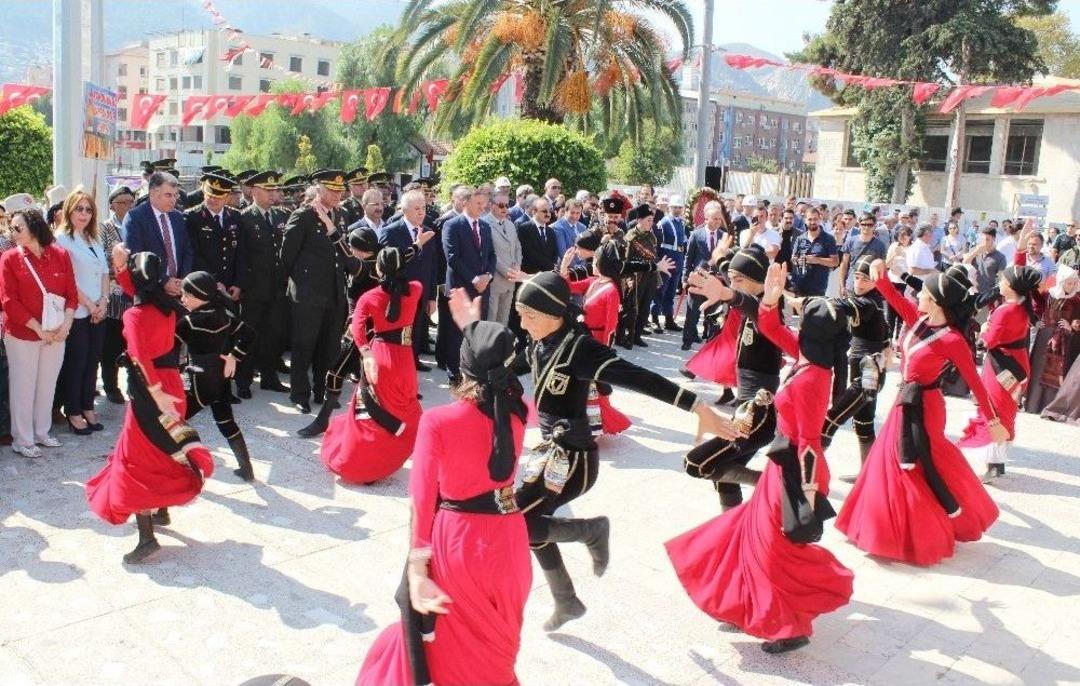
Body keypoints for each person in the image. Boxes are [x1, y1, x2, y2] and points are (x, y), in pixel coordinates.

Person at [449, 272, 743, 632]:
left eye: (530, 316)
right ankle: (566, 600)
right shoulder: (538, 345)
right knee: (530, 522)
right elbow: (496, 367)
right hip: (549, 456)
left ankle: (590, 531)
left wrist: (698, 407)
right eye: (521, 316)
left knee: (517, 522)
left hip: (575, 461)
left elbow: (640, 378)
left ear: (554, 313)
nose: (522, 324)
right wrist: (472, 331)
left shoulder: (581, 349)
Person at [667, 264, 854, 655]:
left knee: (773, 548)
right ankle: (744, 603)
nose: (796, 311)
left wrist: (806, 493)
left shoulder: (814, 375)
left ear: (812, 330)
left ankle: (789, 626)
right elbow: (771, 326)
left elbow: (809, 442)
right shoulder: (808, 356)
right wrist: (768, 301)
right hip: (780, 462)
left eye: (803, 312)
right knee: (752, 538)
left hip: (795, 468)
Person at [357, 321, 530, 686]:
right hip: (511, 543)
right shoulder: (520, 412)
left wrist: (418, 571)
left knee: (454, 655)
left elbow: (421, 499)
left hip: (461, 543)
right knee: (496, 656)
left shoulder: (438, 421)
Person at [836, 262, 1007, 566]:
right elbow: (889, 292)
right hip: (904, 400)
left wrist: (993, 421)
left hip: (926, 407)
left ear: (937, 301)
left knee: (921, 462)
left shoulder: (953, 340)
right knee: (890, 461)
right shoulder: (917, 318)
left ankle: (921, 530)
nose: (918, 296)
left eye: (924, 293)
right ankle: (880, 527)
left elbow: (976, 382)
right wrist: (880, 266)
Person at [85, 251, 214, 564]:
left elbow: (140, 358)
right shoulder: (168, 307)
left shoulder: (134, 315)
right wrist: (121, 265)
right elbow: (139, 286)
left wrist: (155, 394)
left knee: (136, 460)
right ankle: (163, 510)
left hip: (150, 391)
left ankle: (147, 538)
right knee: (166, 449)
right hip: (171, 385)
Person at [321, 247, 424, 483]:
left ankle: (360, 465)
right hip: (404, 361)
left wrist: (366, 352)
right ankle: (385, 459)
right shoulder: (416, 289)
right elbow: (402, 276)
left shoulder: (369, 297)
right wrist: (416, 247)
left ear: (378, 269)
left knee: (369, 413)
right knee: (402, 406)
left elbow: (356, 328)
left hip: (378, 359)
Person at [280, 169, 360, 413]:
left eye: (340, 191)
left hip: (334, 291)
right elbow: (287, 256)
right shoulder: (303, 215)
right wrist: (300, 285)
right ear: (319, 189)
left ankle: (322, 390)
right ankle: (299, 394)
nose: (337, 195)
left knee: (329, 346)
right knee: (304, 345)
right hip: (308, 293)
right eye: (332, 190)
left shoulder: (341, 214)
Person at [0, 209, 77, 458]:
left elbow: (71, 293)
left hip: (56, 332)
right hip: (22, 334)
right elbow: (9, 300)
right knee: (23, 387)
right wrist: (37, 328)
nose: (12, 232)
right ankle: (22, 439)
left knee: (47, 384)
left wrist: (66, 324)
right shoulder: (9, 258)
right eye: (11, 227)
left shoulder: (60, 255)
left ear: (34, 227)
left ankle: (42, 432)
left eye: (17, 227)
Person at [959, 265, 1042, 483]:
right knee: (1006, 407)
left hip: (1000, 364)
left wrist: (983, 330)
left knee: (994, 407)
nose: (1000, 283)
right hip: (1017, 362)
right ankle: (997, 462)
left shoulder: (1005, 310)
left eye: (1003, 280)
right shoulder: (1023, 306)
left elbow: (988, 341)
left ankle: (994, 465)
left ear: (1012, 286)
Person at [173, 270, 257, 481]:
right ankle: (246, 468)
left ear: (199, 296)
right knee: (227, 422)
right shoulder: (224, 315)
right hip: (221, 379)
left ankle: (183, 469)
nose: (182, 299)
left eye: (186, 295)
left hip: (199, 382)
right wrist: (233, 357)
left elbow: (168, 350)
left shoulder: (188, 322)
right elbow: (250, 334)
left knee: (173, 424)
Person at [821, 255, 890, 482]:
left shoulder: (868, 303)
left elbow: (838, 305)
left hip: (868, 372)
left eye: (865, 279)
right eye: (857, 277)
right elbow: (886, 332)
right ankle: (868, 478)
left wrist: (807, 301)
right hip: (866, 368)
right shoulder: (874, 301)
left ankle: (807, 473)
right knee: (863, 424)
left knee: (831, 419)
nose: (859, 283)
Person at [559, 237, 631, 435]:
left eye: (596, 261)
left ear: (602, 264)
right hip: (584, 338)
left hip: (596, 342)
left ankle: (598, 424)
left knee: (593, 385)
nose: (592, 264)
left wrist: (604, 352)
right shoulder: (594, 282)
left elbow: (611, 326)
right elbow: (568, 287)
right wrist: (564, 265)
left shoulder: (611, 290)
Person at [54, 189, 109, 435]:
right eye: (79, 208)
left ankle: (88, 406)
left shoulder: (93, 238)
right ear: (69, 210)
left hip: (98, 309)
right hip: (76, 311)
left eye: (88, 209)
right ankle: (73, 411)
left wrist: (103, 301)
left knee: (92, 361)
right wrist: (89, 304)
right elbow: (67, 279)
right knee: (76, 363)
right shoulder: (62, 239)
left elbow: (105, 272)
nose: (84, 214)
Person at [236, 171, 290, 396]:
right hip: (254, 289)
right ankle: (244, 381)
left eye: (274, 190)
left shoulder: (280, 216)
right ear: (254, 191)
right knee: (249, 335)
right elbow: (240, 256)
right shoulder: (244, 218)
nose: (272, 194)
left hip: (276, 287)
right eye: (268, 190)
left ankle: (269, 378)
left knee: (272, 335)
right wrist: (241, 285)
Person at [378, 189, 439, 370]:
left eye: (424, 208)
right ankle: (398, 367)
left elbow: (432, 267)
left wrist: (431, 297)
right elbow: (388, 265)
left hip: (421, 294)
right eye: (417, 209)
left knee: (417, 331)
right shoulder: (391, 231)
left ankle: (412, 363)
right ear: (405, 210)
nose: (422, 213)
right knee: (399, 334)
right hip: (399, 293)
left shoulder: (428, 232)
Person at [441, 187, 496, 384]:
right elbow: (453, 258)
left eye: (484, 203)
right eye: (478, 204)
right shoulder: (452, 225)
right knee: (457, 334)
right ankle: (455, 374)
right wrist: (475, 280)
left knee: (478, 331)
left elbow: (491, 256)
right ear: (466, 203)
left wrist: (487, 276)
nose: (483, 208)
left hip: (483, 289)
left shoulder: (485, 226)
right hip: (461, 288)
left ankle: (474, 372)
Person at [123, 171, 194, 296]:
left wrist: (183, 279)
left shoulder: (178, 217)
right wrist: (164, 281)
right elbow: (136, 258)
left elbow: (187, 250)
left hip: (179, 291)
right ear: (153, 193)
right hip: (151, 293)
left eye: (175, 195)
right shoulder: (135, 218)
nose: (173, 200)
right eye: (168, 195)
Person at [1024, 263, 1079, 414]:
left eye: (1073, 282)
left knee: (1055, 371)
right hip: (1044, 336)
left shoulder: (1076, 300)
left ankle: (1049, 406)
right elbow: (1033, 302)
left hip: (1062, 341)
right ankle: (1033, 404)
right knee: (1038, 368)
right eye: (1068, 282)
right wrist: (1036, 321)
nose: (1071, 285)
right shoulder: (1049, 294)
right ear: (1061, 281)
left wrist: (1071, 326)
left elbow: (1077, 320)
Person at [100, 186, 136, 404]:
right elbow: (101, 259)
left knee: (134, 344)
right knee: (112, 344)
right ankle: (111, 386)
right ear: (112, 205)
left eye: (131, 202)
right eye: (122, 202)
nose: (128, 206)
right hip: (114, 295)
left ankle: (134, 386)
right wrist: (120, 269)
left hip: (135, 294)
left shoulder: (137, 224)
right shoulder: (105, 227)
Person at [186, 173, 245, 307]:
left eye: (218, 197)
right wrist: (213, 281)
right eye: (209, 196)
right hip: (205, 286)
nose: (213, 200)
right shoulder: (192, 217)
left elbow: (241, 253)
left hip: (231, 287)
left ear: (227, 197)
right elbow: (194, 255)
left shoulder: (235, 216)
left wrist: (238, 283)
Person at [681, 203, 728, 351]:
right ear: (706, 219)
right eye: (714, 218)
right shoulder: (696, 235)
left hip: (716, 282)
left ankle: (711, 342)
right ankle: (687, 340)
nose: (717, 221)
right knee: (692, 313)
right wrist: (684, 279)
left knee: (714, 314)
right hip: (698, 280)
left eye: (719, 219)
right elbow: (688, 258)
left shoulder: (724, 236)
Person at [484, 188, 522, 327]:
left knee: (503, 321)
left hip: (510, 280)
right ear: (491, 205)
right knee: (491, 321)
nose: (505, 209)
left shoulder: (510, 224)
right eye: (501, 205)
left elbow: (517, 247)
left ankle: (501, 342)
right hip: (494, 280)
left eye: (507, 205)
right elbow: (490, 252)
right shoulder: (484, 224)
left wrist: (517, 266)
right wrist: (506, 271)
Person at [652, 194, 687, 332]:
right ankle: (654, 319)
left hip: (677, 258)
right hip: (666, 258)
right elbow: (658, 243)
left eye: (679, 207)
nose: (677, 210)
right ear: (669, 208)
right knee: (660, 290)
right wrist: (659, 261)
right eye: (675, 207)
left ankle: (669, 319)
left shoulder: (681, 222)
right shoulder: (664, 222)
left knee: (671, 292)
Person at [789, 207, 838, 297]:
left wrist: (816, 260)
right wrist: (798, 260)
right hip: (799, 285)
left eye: (815, 219)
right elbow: (793, 258)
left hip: (817, 288)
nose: (812, 222)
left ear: (820, 219)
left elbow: (834, 262)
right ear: (805, 221)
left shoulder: (829, 239)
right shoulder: (800, 238)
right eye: (810, 219)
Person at [838, 212, 887, 297]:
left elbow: (882, 268)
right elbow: (844, 264)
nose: (866, 227)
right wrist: (842, 286)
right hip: (851, 285)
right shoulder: (850, 241)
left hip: (870, 288)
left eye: (870, 225)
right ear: (859, 225)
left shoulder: (880, 245)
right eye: (864, 224)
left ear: (874, 226)